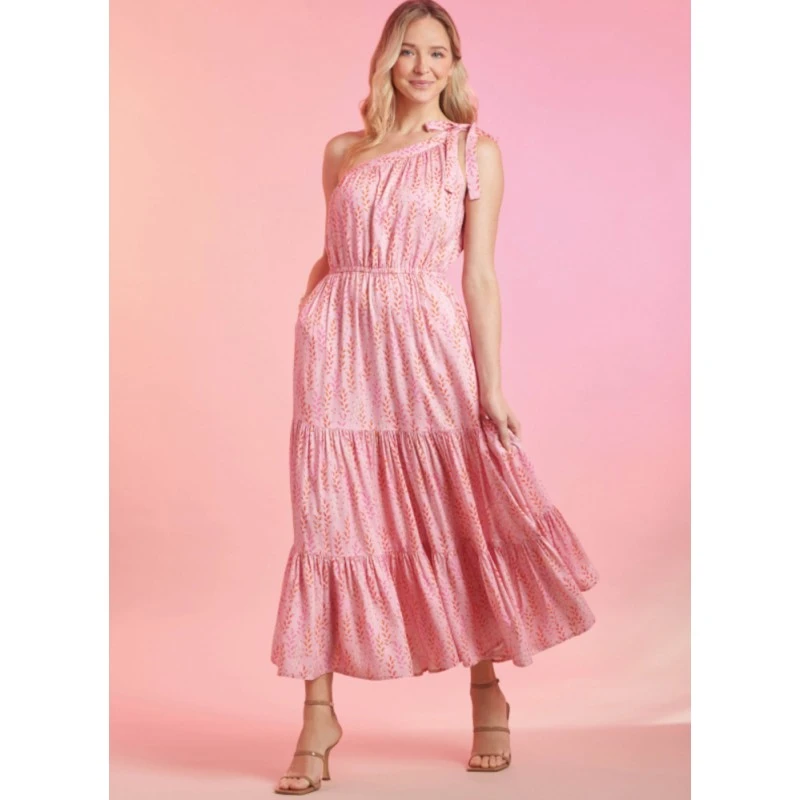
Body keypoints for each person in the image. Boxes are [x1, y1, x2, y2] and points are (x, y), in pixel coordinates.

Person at [271, 1, 599, 793]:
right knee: (329, 515)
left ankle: (487, 692)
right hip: (338, 344)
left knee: (456, 508)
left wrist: (491, 384)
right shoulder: (344, 151)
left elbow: (478, 275)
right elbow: (331, 254)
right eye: (409, 50)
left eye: (438, 53)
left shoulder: (472, 152)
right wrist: (309, 318)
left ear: (455, 66)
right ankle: (317, 714)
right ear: (386, 58)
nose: (422, 66)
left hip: (425, 344)